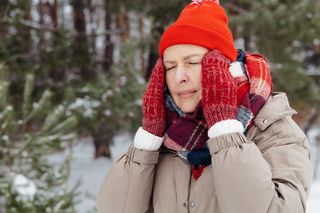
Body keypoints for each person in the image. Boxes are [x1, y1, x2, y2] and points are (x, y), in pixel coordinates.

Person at [96, 0, 313, 212]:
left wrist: (224, 129)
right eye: (170, 67)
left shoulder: (275, 133)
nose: (179, 77)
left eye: (192, 62)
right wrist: (148, 140)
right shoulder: (164, 137)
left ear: (223, 69)